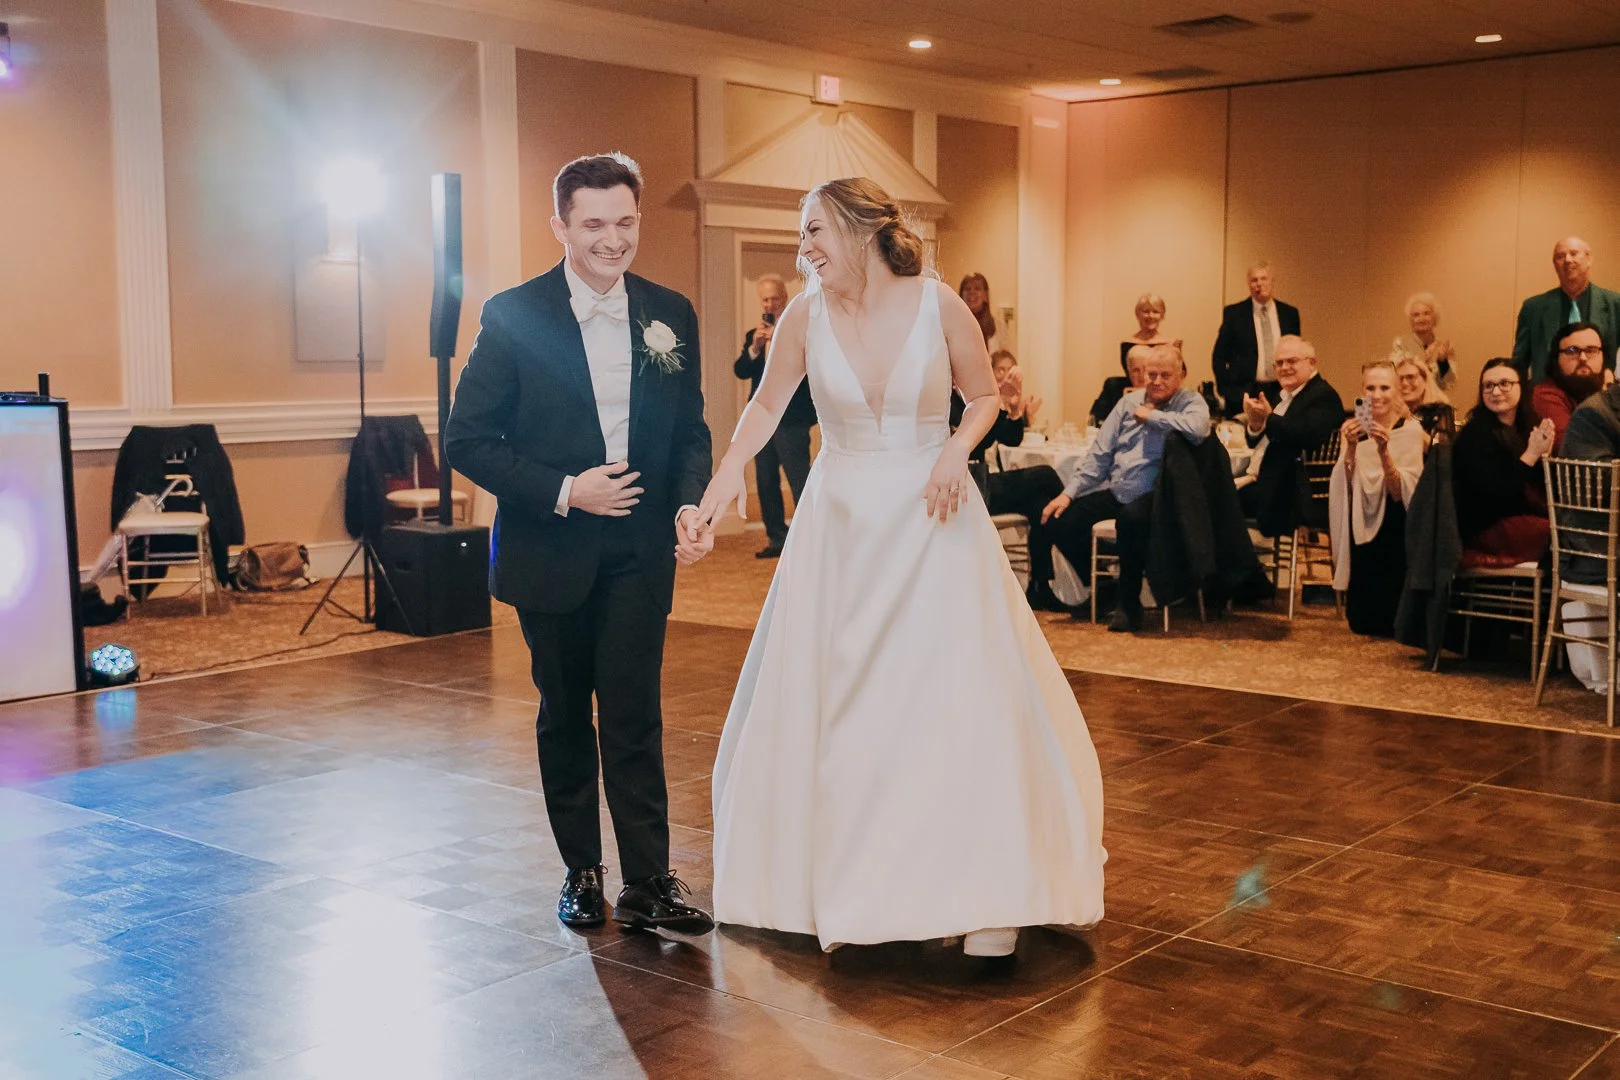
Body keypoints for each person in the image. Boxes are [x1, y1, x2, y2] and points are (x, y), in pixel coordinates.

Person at [697, 177, 1105, 959]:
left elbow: (982, 396)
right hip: (841, 524)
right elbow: (764, 409)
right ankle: (854, 885)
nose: (804, 248)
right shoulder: (804, 317)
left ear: (858, 228)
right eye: (802, 234)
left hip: (932, 518)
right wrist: (724, 481)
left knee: (954, 701)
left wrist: (956, 448)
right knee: (848, 703)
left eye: (814, 230)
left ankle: (989, 892)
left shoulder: (936, 302)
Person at [444, 153, 716, 935]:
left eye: (625, 222)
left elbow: (690, 429)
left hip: (638, 550)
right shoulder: (513, 314)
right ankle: (581, 871)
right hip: (549, 550)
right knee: (566, 712)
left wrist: (689, 503)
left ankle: (650, 880)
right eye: (593, 224)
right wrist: (567, 490)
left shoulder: (670, 312)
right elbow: (469, 440)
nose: (612, 239)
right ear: (559, 225)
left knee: (635, 714)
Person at [1037, 345, 1210, 633]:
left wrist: (1153, 417)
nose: (1155, 381)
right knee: (1059, 520)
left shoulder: (1190, 402)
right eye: (1150, 374)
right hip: (1120, 489)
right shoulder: (1127, 404)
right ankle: (1107, 588)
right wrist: (1068, 493)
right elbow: (1099, 455)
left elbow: (1198, 428)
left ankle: (1129, 605)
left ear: (1180, 375)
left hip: (1161, 495)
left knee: (1131, 519)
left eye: (1164, 375)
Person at [1328, 359, 1426, 637]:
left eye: (1384, 387)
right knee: (1362, 624)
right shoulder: (1356, 428)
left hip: (1397, 517)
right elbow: (1345, 483)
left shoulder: (1410, 430)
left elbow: (1402, 492)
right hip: (1361, 512)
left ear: (1396, 390)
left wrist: (1384, 453)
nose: (1377, 395)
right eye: (1370, 388)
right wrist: (1348, 448)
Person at [733, 273, 816, 559]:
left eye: (775, 298)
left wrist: (780, 340)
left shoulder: (798, 332)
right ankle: (777, 539)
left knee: (798, 479)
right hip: (761, 421)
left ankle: (809, 539)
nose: (770, 304)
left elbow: (809, 373)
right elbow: (741, 370)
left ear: (784, 298)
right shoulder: (753, 335)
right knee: (765, 480)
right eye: (765, 299)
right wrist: (755, 348)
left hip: (792, 419)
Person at [1237, 336, 1345, 537]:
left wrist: (1269, 418)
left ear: (1312, 363)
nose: (1284, 367)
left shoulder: (1323, 396)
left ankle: (1239, 564)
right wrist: (1255, 423)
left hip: (1293, 492)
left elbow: (1305, 435)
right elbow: (1259, 440)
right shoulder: (1283, 395)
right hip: (1272, 482)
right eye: (1279, 363)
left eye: (1291, 361)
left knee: (1215, 499)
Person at [1451, 358, 1554, 563]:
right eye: (1488, 386)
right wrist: (1531, 455)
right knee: (1559, 535)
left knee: (1573, 527)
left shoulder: (1527, 426)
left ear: (1521, 387)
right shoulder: (1475, 434)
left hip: (1520, 517)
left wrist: (1545, 457)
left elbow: (1535, 489)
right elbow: (1495, 497)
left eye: (1505, 384)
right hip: (1485, 525)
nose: (1496, 392)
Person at [1512, 237, 1620, 381]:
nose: (1568, 260)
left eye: (1574, 253)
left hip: (1600, 396)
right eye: (1560, 256)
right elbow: (1519, 363)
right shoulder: (1533, 308)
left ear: (1589, 259)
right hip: (1547, 396)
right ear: (1555, 265)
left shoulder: (1615, 304)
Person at [1212, 262, 1301, 417]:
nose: (1259, 284)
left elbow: (1297, 354)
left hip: (1281, 391)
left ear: (1272, 282)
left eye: (1264, 279)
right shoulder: (1234, 314)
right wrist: (1227, 391)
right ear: (1249, 284)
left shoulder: (1289, 314)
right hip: (1244, 393)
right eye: (1254, 280)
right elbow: (1218, 356)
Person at [1531, 322, 1608, 451]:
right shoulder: (1546, 395)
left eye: (1591, 351)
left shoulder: (1607, 389)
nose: (1583, 358)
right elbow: (1574, 448)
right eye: (1572, 351)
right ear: (1557, 359)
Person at [1394, 293, 1457, 398]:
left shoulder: (1444, 347)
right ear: (1411, 320)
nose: (1421, 318)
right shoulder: (1400, 344)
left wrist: (1442, 362)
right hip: (1407, 403)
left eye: (1426, 313)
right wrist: (1421, 360)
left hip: (1435, 404)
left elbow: (1448, 384)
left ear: (1435, 317)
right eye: (1416, 315)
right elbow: (1395, 379)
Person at [1395, 356, 1455, 440]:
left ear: (1425, 380)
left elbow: (1442, 449)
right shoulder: (1391, 414)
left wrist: (1409, 418)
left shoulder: (1440, 410)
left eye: (1411, 377)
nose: (1404, 383)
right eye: (1400, 379)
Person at [1091, 343, 1150, 425]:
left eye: (1146, 369)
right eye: (1136, 370)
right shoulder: (1114, 387)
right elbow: (1095, 419)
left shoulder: (1161, 390)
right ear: (1128, 371)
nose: (1141, 375)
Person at [1119, 293, 1182, 369]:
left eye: (1155, 312)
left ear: (1162, 315)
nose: (1151, 316)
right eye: (1146, 311)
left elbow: (1178, 374)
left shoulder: (1172, 344)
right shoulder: (1127, 344)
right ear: (1138, 314)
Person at [958, 272, 1001, 352]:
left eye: (977, 288)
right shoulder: (953, 323)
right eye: (967, 289)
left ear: (985, 295)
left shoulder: (999, 326)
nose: (972, 292)